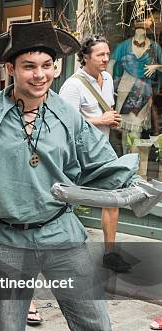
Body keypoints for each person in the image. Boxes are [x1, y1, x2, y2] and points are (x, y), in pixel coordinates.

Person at [0, 21, 136, 331]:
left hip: (61, 231)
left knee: (94, 324)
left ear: (57, 67)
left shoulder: (67, 114)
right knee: (8, 327)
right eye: (29, 66)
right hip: (7, 235)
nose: (40, 74)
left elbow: (103, 163)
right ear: (10, 69)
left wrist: (134, 183)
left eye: (47, 65)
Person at [59, 35, 131, 273]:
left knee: (113, 199)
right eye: (100, 54)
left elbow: (105, 109)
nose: (106, 59)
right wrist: (100, 119)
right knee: (67, 202)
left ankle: (110, 253)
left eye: (108, 54)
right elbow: (65, 123)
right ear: (85, 57)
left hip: (103, 150)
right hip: (79, 156)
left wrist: (109, 121)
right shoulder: (72, 85)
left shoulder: (108, 78)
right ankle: (62, 255)